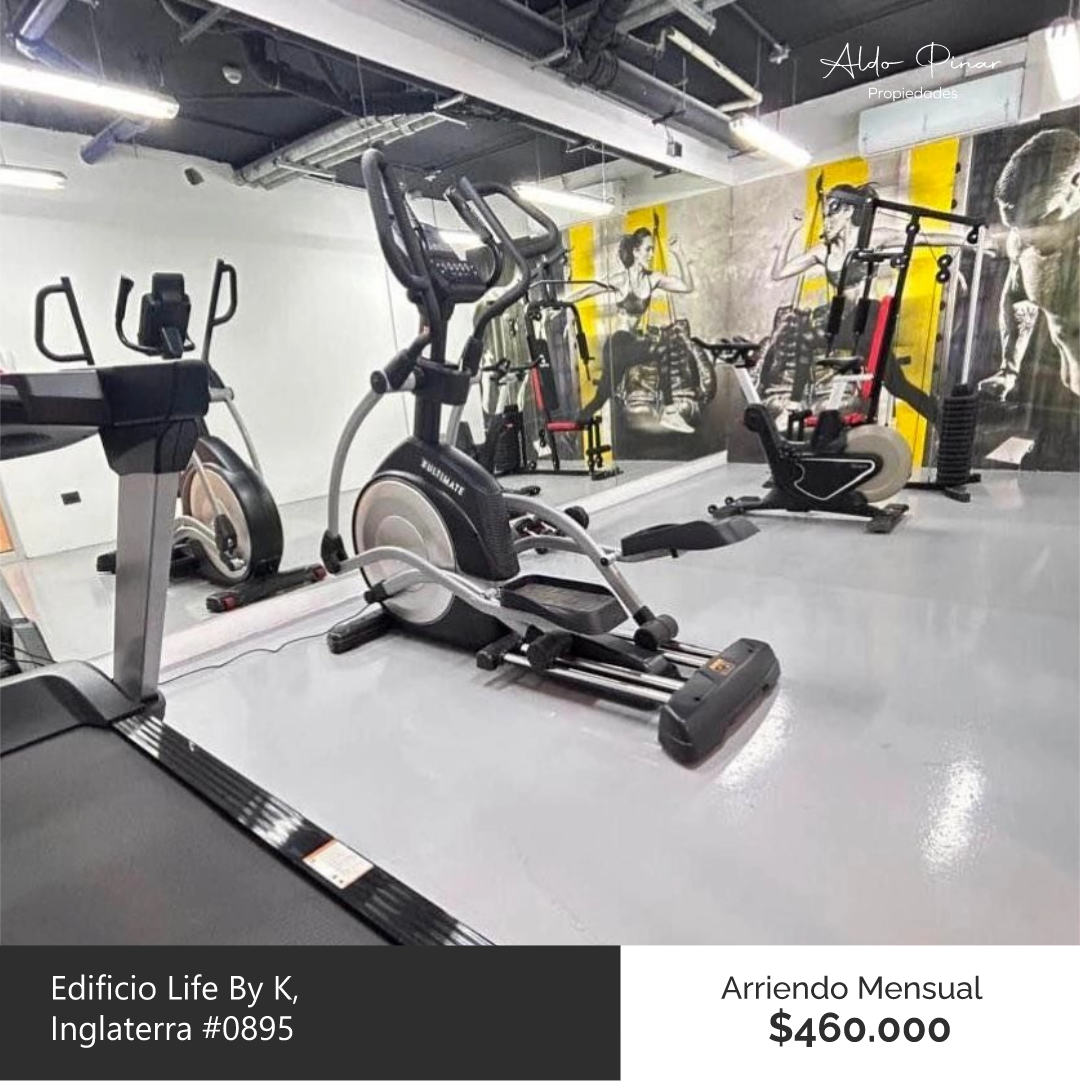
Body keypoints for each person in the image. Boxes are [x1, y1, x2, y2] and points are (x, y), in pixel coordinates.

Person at [978, 128, 1080, 403]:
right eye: (1018, 227)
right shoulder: (1021, 243)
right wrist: (1008, 370)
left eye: (1037, 222)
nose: (1027, 237)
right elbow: (1017, 298)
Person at [567, 226, 696, 431]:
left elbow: (687, 287)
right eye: (647, 249)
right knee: (602, 397)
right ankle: (670, 412)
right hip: (616, 345)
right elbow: (589, 290)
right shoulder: (621, 280)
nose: (651, 255)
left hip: (630, 345)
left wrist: (678, 252)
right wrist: (558, 304)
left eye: (653, 250)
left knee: (602, 397)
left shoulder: (652, 279)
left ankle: (575, 425)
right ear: (636, 251)